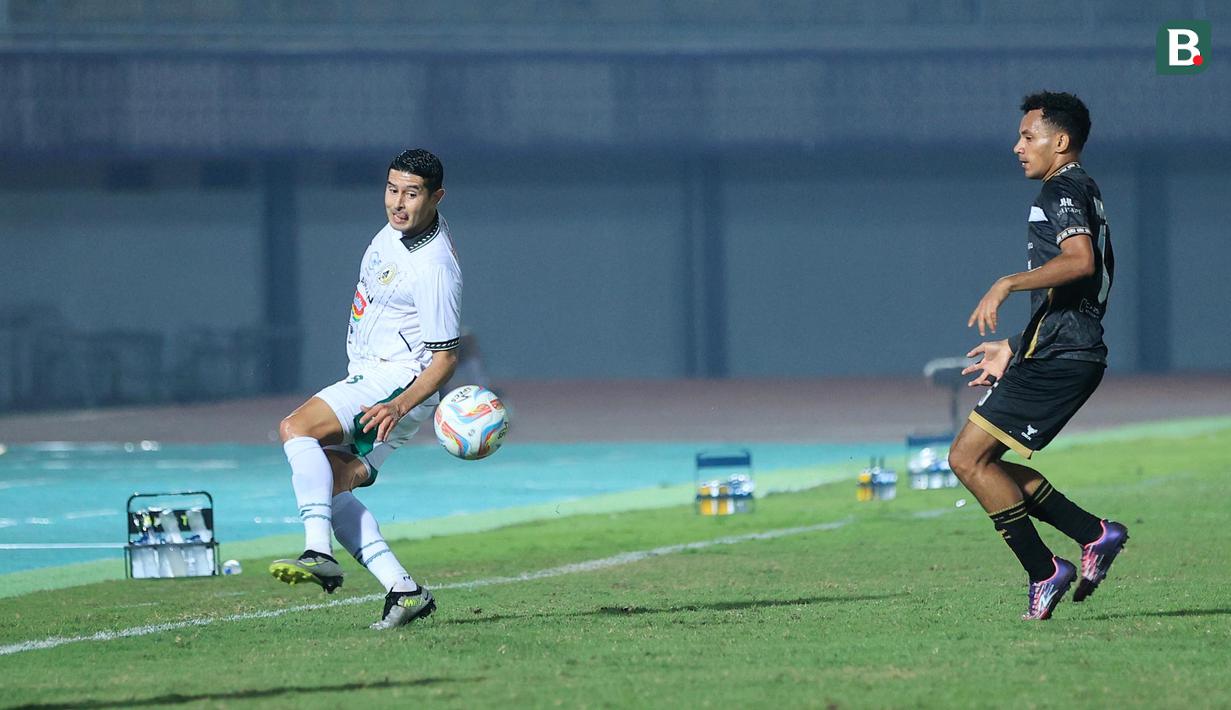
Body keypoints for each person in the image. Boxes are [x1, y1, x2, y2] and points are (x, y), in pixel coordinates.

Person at [949, 92, 1128, 620]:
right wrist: (1014, 345)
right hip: (1058, 347)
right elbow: (1072, 288)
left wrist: (1007, 283)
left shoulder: (1062, 188)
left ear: (1061, 141)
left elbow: (1079, 262)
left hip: (1064, 353)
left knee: (966, 458)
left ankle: (1046, 569)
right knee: (983, 461)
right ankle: (1094, 534)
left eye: (1028, 137)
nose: (1018, 147)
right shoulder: (1080, 187)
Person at [269, 149, 462, 630]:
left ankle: (318, 552)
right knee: (330, 484)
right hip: (376, 378)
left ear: (437, 197)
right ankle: (405, 590)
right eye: (392, 189)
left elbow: (445, 358)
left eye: (412, 193)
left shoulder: (434, 265)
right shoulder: (395, 233)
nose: (398, 202)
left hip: (395, 383)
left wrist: (397, 405)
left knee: (296, 428)